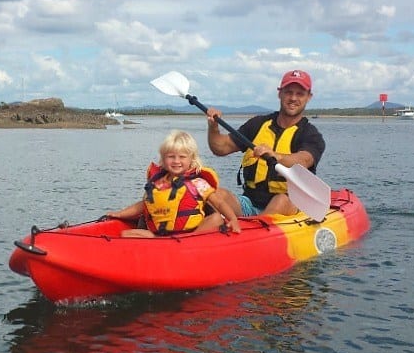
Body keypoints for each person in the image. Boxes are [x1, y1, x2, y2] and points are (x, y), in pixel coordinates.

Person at [205, 69, 325, 217]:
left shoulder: (310, 134)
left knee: (280, 201)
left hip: (289, 204)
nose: (293, 98)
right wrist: (213, 127)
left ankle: (255, 233)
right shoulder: (257, 125)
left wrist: (277, 156)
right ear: (279, 93)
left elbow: (304, 160)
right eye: (288, 92)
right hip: (250, 203)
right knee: (214, 194)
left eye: (300, 93)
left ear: (309, 97)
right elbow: (220, 148)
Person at [106, 130, 241, 238]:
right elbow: (143, 206)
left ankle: (183, 242)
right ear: (164, 160)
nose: (176, 161)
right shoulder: (157, 183)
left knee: (217, 218)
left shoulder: (198, 183)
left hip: (190, 234)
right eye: (171, 156)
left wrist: (233, 219)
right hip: (159, 235)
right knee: (125, 234)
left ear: (191, 160)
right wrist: (120, 214)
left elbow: (219, 203)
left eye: (182, 157)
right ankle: (163, 242)